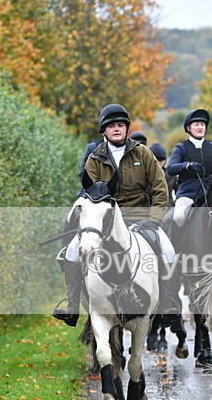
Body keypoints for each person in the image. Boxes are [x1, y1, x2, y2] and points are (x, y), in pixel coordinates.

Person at [53, 103, 172, 326]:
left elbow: (160, 189)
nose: (116, 129)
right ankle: (72, 303)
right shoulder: (95, 158)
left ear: (126, 128)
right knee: (71, 252)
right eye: (111, 126)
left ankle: (166, 302)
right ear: (104, 131)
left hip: (140, 219)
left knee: (168, 250)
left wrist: (154, 221)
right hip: (104, 222)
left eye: (120, 125)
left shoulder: (143, 154)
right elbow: (92, 195)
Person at [165, 109, 212, 231]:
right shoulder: (181, 148)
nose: (200, 127)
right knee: (179, 216)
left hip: (211, 192)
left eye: (202, 124)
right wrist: (188, 165)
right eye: (196, 124)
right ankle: (177, 248)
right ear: (188, 128)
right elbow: (170, 168)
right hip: (188, 192)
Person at [149, 142, 176, 208]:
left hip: (168, 209)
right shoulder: (144, 175)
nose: (158, 163)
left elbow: (180, 190)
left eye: (161, 160)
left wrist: (176, 204)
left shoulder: (171, 174)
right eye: (156, 160)